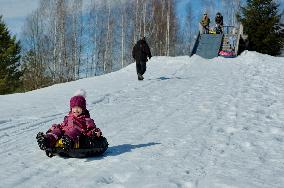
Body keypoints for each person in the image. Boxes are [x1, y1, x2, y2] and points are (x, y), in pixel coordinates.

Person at [36, 89, 102, 151]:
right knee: (57, 131)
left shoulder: (87, 119)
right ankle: (46, 140)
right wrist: (54, 128)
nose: (76, 110)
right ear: (71, 108)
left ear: (83, 108)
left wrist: (95, 132)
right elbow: (62, 125)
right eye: (74, 108)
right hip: (65, 131)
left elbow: (92, 128)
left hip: (77, 135)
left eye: (78, 108)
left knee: (74, 130)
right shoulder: (68, 117)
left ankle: (68, 141)